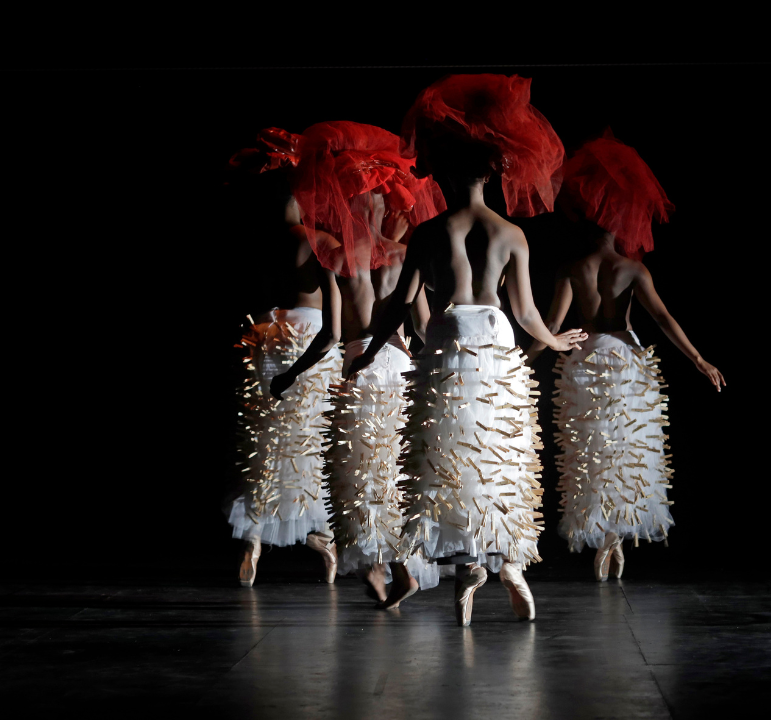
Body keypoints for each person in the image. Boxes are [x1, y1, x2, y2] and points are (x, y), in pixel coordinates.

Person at [347, 74, 587, 625]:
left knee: (448, 452)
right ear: (493, 173)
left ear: (452, 175)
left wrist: (369, 353)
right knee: (498, 452)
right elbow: (525, 312)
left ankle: (466, 571)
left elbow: (401, 304)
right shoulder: (511, 234)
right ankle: (508, 564)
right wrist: (553, 339)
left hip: (448, 337)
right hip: (496, 339)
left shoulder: (429, 233)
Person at [527, 130, 725, 580]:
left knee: (592, 451)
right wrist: (698, 359)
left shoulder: (572, 269)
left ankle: (603, 534)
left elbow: (553, 327)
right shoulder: (632, 268)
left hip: (584, 358)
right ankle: (615, 537)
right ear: (620, 222)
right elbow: (664, 318)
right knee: (628, 448)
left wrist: (525, 359)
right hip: (625, 361)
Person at [269, 121, 445, 608]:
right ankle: (404, 564)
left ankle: (376, 565)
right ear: (388, 207)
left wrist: (290, 373)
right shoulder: (404, 255)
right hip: (398, 365)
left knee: (359, 470)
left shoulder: (334, 255)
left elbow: (329, 335)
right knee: (393, 469)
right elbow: (424, 327)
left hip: (359, 367)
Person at [225, 127, 344, 587]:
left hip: (265, 335)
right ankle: (321, 538)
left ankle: (253, 539)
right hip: (307, 338)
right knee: (308, 446)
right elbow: (334, 330)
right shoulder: (321, 243)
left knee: (267, 446)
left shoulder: (260, 242)